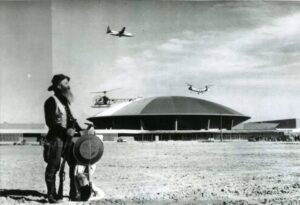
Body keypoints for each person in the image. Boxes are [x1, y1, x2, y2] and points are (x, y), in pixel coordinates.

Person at [43, 74, 82, 203]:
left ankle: (73, 192)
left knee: (73, 164)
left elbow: (71, 120)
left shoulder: (65, 102)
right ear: (59, 86)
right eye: (66, 84)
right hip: (56, 139)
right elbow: (51, 123)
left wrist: (82, 130)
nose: (68, 86)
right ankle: (52, 195)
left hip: (68, 140)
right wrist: (66, 131)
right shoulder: (51, 101)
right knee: (53, 167)